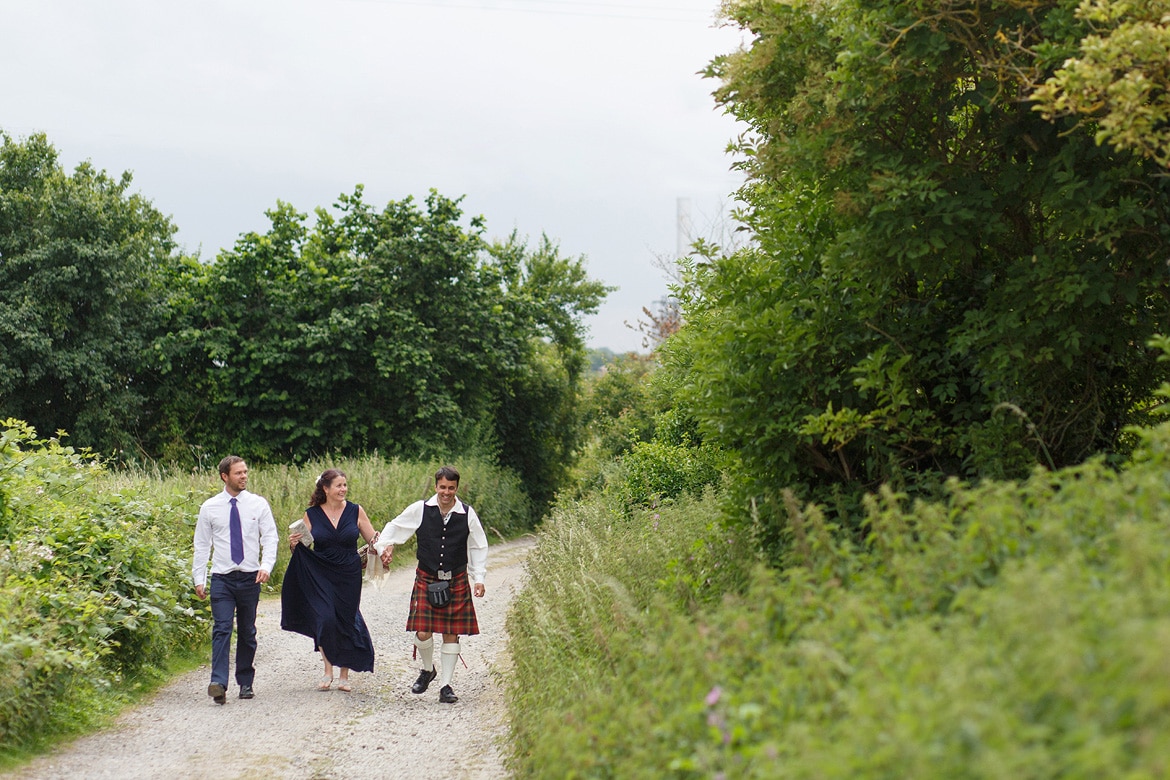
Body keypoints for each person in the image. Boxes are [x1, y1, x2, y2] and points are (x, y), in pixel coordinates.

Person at [375, 465, 487, 704]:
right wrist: (384, 545)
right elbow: (395, 527)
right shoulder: (420, 509)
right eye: (442, 487)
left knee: (451, 632)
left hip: (455, 578)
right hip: (427, 576)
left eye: (451, 488)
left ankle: (446, 685)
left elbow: (478, 546)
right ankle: (427, 670)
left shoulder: (467, 513)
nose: (446, 492)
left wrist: (479, 578)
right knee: (423, 631)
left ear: (456, 488)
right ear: (436, 486)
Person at [281, 468, 379, 691]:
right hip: (321, 572)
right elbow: (302, 546)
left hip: (349, 572)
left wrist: (382, 545)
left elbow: (372, 538)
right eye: (339, 485)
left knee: (345, 619)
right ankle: (328, 669)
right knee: (325, 618)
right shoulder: (312, 514)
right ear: (325, 489)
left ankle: (344, 674)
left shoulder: (355, 511)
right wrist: (293, 544)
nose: (343, 489)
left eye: (345, 485)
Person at [192, 456, 279, 704]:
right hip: (222, 578)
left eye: (245, 472)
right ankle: (218, 682)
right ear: (224, 476)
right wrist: (199, 578)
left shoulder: (258, 504)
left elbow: (270, 538)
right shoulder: (209, 507)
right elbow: (201, 545)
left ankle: (245, 681)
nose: (244, 476)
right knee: (222, 628)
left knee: (248, 631)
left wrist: (266, 565)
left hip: (251, 577)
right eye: (238, 473)